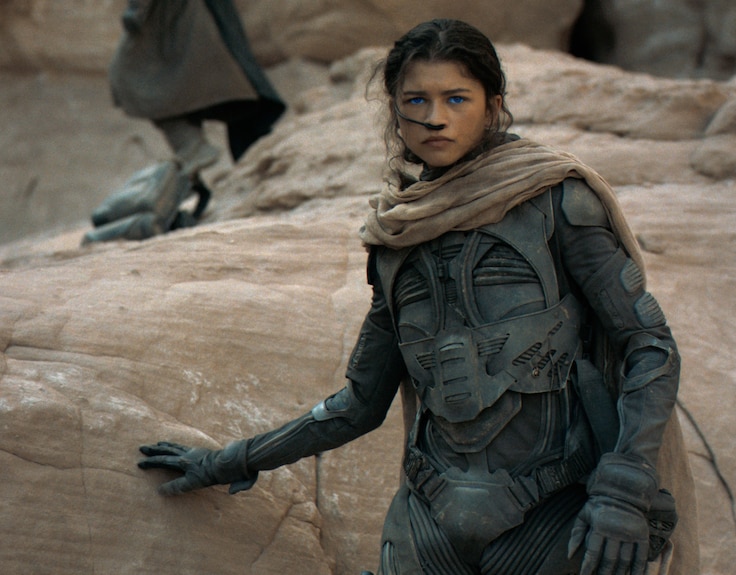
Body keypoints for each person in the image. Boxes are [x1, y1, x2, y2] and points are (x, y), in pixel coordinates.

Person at [138, 19, 695, 575]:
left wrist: (624, 488)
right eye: (416, 100)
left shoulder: (556, 202)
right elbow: (359, 403)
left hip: (557, 517)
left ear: (493, 105)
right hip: (425, 524)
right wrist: (229, 460)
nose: (435, 117)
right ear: (394, 110)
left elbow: (649, 346)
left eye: (457, 98)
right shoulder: (396, 235)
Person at [83, 0, 286, 243]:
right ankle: (204, 154)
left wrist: (137, 11)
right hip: (189, 14)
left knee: (126, 73)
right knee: (228, 89)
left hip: (179, 14)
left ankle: (194, 147)